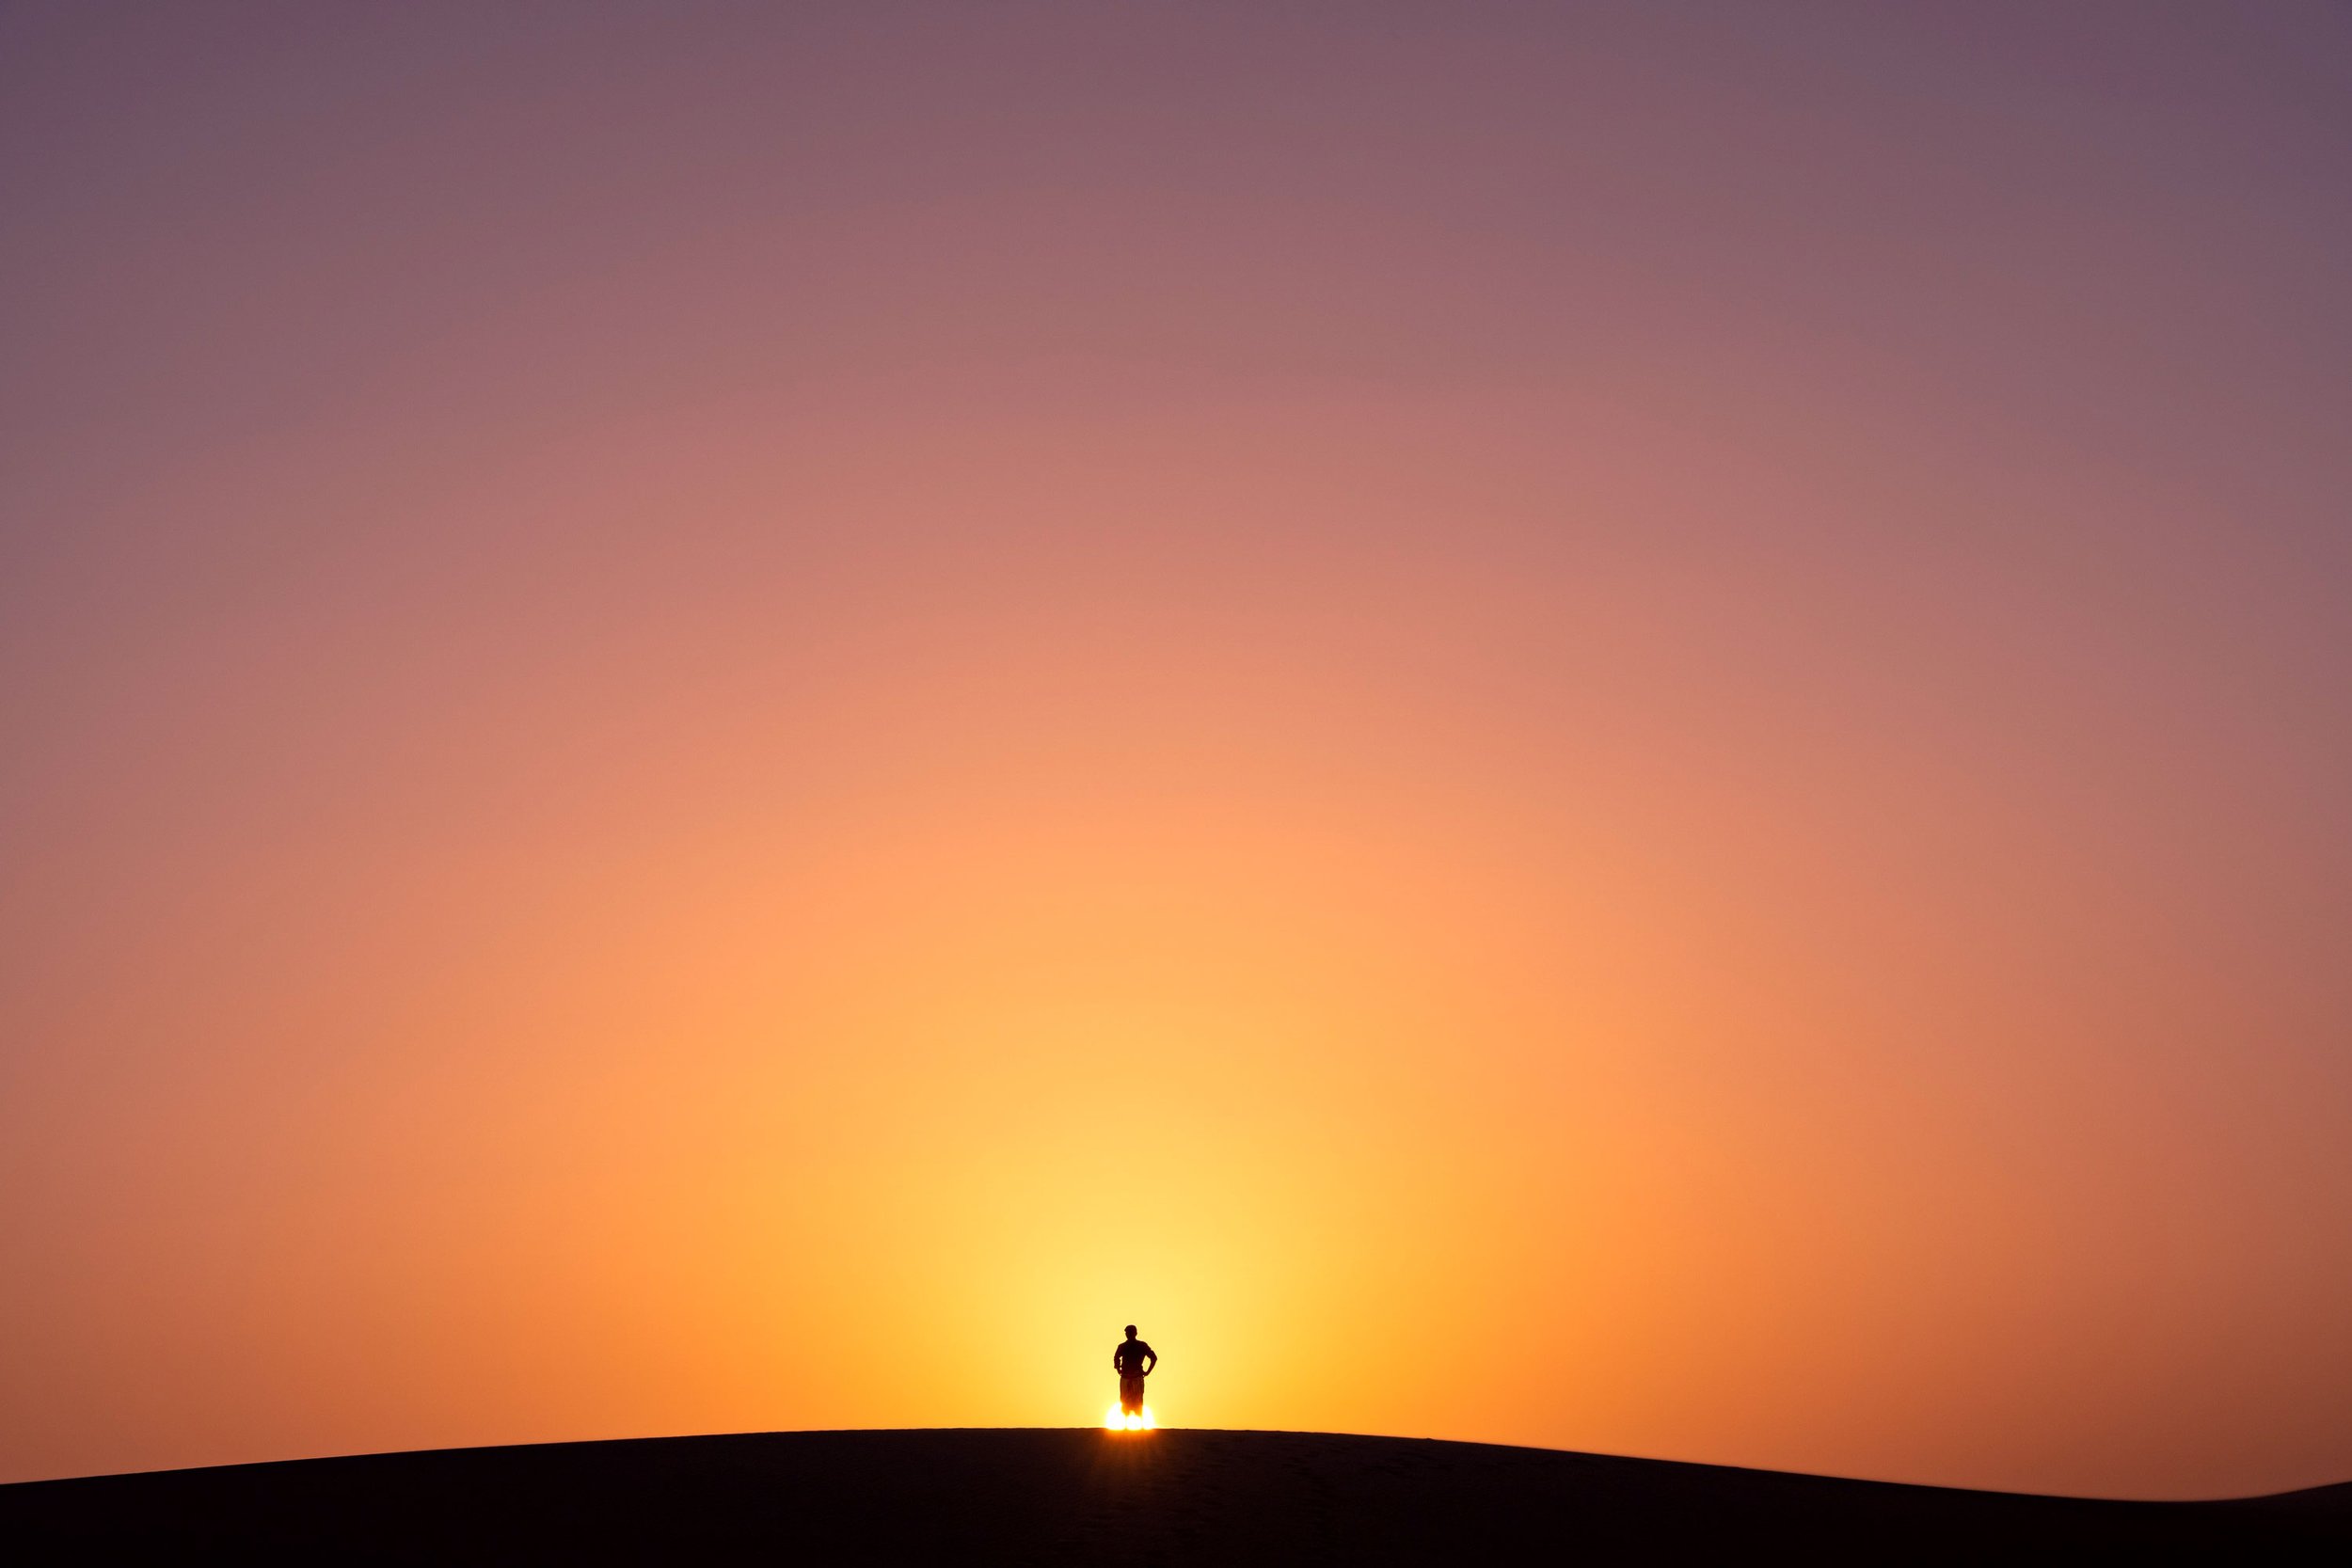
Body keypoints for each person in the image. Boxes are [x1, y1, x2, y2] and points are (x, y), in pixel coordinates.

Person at [1112, 1324, 1156, 1416]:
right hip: (1128, 1377)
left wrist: (1148, 1371)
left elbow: (1154, 1358)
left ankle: (1136, 1425)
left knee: (1136, 1401)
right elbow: (1116, 1358)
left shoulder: (1129, 1346)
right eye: (1127, 1332)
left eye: (1129, 1332)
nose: (1128, 1334)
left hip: (1134, 1377)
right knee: (1127, 1401)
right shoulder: (1124, 1346)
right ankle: (1127, 1425)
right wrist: (1118, 1368)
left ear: (1135, 1333)